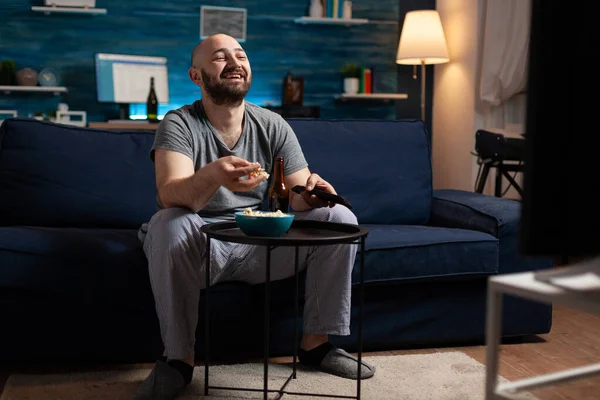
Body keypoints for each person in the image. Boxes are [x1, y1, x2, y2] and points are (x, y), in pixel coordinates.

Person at [134, 33, 375, 400]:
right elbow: (171, 194)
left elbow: (295, 195)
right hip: (203, 247)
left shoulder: (273, 124)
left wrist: (312, 194)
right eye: (219, 57)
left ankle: (316, 345)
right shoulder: (179, 124)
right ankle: (178, 361)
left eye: (240, 55)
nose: (234, 62)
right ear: (196, 76)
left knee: (339, 216)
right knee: (168, 222)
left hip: (260, 244)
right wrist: (214, 174)